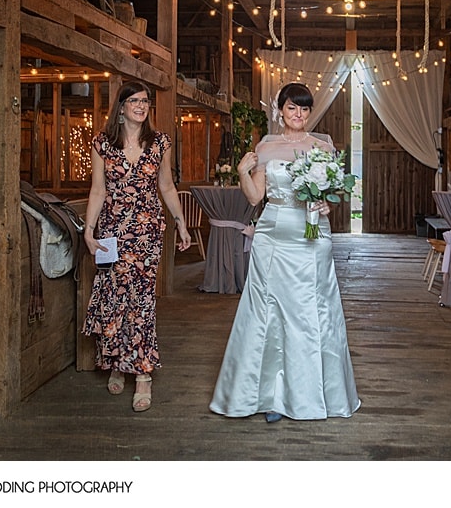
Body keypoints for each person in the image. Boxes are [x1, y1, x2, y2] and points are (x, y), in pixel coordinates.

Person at [210, 82, 360, 422]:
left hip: (311, 236)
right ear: (280, 110)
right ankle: (270, 394)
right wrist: (241, 173)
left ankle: (313, 393)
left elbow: (330, 197)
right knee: (269, 311)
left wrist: (325, 204)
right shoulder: (266, 146)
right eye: (293, 108)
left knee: (312, 310)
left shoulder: (322, 145)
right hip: (273, 234)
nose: (299, 115)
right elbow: (253, 197)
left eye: (305, 109)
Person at [82, 81, 192, 412]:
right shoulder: (102, 144)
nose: (141, 106)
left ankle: (143, 374)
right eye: (134, 101)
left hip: (146, 233)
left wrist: (181, 222)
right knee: (115, 298)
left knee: (142, 300)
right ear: (121, 107)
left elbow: (167, 186)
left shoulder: (160, 143)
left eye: (145, 101)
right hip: (113, 231)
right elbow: (97, 190)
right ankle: (118, 362)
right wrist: (89, 231)